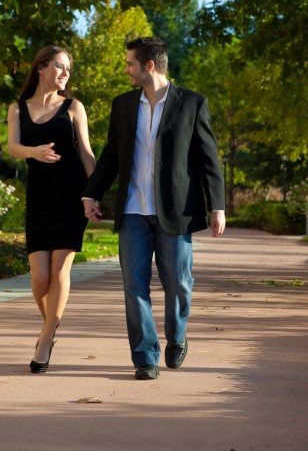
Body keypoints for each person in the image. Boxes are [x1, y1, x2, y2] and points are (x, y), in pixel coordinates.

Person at [83, 36, 225, 381]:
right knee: (134, 285)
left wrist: (217, 206)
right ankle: (145, 355)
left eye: (130, 63)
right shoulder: (123, 105)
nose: (126, 70)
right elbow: (112, 155)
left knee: (178, 282)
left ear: (149, 65)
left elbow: (208, 159)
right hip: (132, 210)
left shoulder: (192, 103)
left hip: (175, 210)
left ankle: (177, 335)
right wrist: (92, 193)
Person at [7, 45, 96, 374]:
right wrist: (34, 152)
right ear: (41, 68)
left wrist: (94, 193)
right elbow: (14, 147)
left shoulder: (73, 107)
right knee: (40, 280)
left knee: (59, 272)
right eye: (58, 67)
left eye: (68, 69)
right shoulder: (18, 109)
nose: (64, 74)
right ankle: (51, 328)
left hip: (71, 195)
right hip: (40, 198)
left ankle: (45, 341)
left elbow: (86, 153)